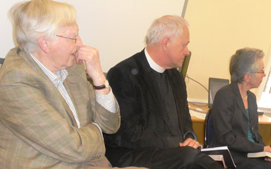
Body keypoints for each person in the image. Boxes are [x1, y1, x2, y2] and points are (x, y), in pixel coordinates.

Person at [0, 0, 144, 168]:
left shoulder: (72, 67)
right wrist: (97, 129)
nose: (80, 44)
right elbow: (76, 148)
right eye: (72, 37)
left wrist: (98, 78)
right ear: (44, 43)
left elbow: (111, 125)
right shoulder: (15, 81)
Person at [103, 15, 222, 169]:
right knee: (191, 158)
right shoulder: (122, 74)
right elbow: (127, 133)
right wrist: (176, 144)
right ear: (165, 43)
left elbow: (185, 122)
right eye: (184, 45)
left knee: (196, 156)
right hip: (135, 153)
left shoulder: (176, 77)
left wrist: (189, 138)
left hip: (175, 153)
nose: (187, 52)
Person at [210, 48, 271, 169]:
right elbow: (226, 137)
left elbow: (255, 133)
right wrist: (260, 149)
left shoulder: (251, 97)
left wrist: (266, 152)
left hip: (253, 155)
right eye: (261, 71)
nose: (264, 74)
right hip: (233, 155)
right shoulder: (224, 95)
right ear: (247, 76)